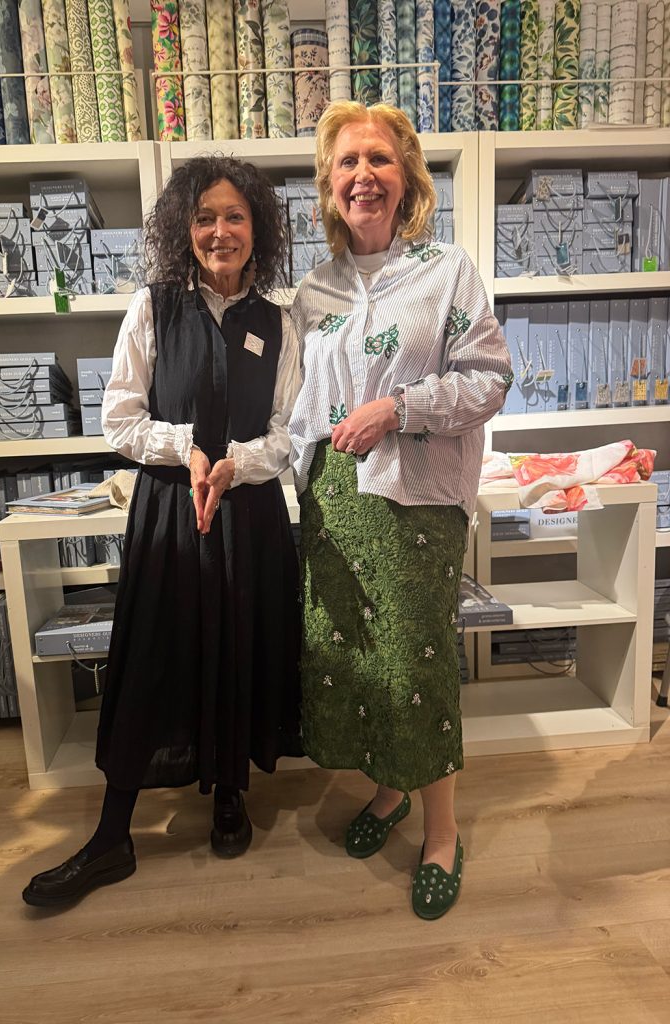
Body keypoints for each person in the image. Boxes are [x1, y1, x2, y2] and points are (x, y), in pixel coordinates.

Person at [23, 156, 302, 908]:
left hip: (248, 514)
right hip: (171, 513)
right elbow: (119, 418)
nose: (220, 231)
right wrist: (189, 452)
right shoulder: (153, 308)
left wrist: (237, 463)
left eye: (235, 216)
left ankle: (229, 795)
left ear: (258, 230)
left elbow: (290, 430)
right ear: (185, 228)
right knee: (151, 656)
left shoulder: (278, 323)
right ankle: (112, 833)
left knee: (237, 648)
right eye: (205, 217)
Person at [288, 102, 511, 920]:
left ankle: (442, 832)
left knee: (417, 665)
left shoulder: (446, 271)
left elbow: (491, 379)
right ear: (329, 184)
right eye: (347, 163)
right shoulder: (313, 292)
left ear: (407, 177)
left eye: (379, 159)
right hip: (334, 503)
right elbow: (297, 412)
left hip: (418, 503)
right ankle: (389, 790)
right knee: (360, 661)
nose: (363, 176)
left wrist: (398, 408)